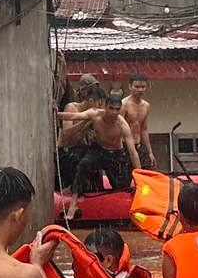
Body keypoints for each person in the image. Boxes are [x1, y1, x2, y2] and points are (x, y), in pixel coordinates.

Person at [59, 88, 143, 222]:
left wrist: (141, 177)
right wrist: (54, 112)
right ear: (105, 106)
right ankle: (73, 205)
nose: (114, 112)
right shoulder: (95, 115)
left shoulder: (122, 124)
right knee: (84, 164)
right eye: (111, 108)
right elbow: (72, 116)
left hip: (116, 154)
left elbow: (133, 152)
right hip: (99, 150)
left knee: (121, 187)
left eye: (117, 109)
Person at [119, 75, 153, 171]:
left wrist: (150, 152)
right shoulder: (124, 104)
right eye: (137, 87)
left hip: (139, 145)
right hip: (125, 145)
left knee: (146, 176)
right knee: (124, 180)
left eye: (143, 87)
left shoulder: (146, 106)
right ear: (130, 87)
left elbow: (144, 129)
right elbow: (118, 127)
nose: (140, 90)